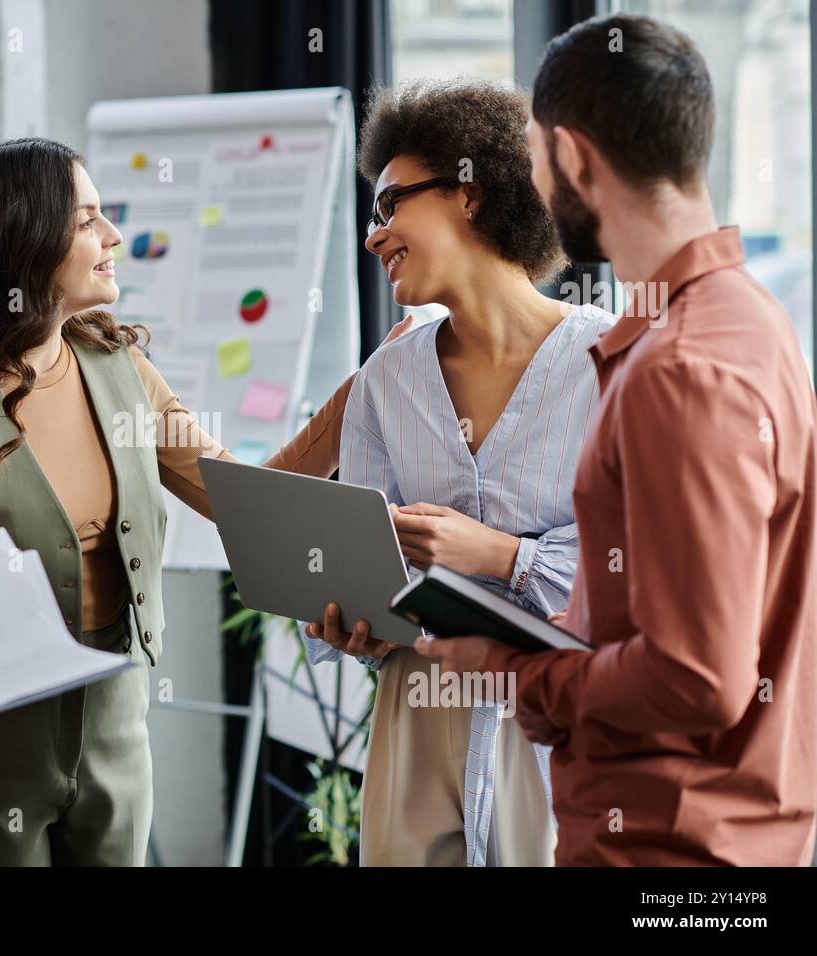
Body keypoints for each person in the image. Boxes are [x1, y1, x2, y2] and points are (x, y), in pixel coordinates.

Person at [0, 137, 356, 866]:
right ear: (21, 238)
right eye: (87, 219)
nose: (113, 236)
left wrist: (361, 394)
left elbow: (250, 502)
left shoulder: (124, 372)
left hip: (119, 730)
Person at [416, 14, 817, 866]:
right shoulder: (752, 320)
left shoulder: (680, 369)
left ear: (573, 156)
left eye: (533, 152)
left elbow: (698, 678)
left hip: (667, 855)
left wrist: (513, 671)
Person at [305, 80, 614, 866]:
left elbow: (649, 570)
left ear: (470, 191)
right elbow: (368, 557)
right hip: (417, 718)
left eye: (391, 206)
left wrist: (505, 557)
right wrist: (356, 625)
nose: (375, 237)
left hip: (553, 720)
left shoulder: (615, 364)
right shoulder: (386, 379)